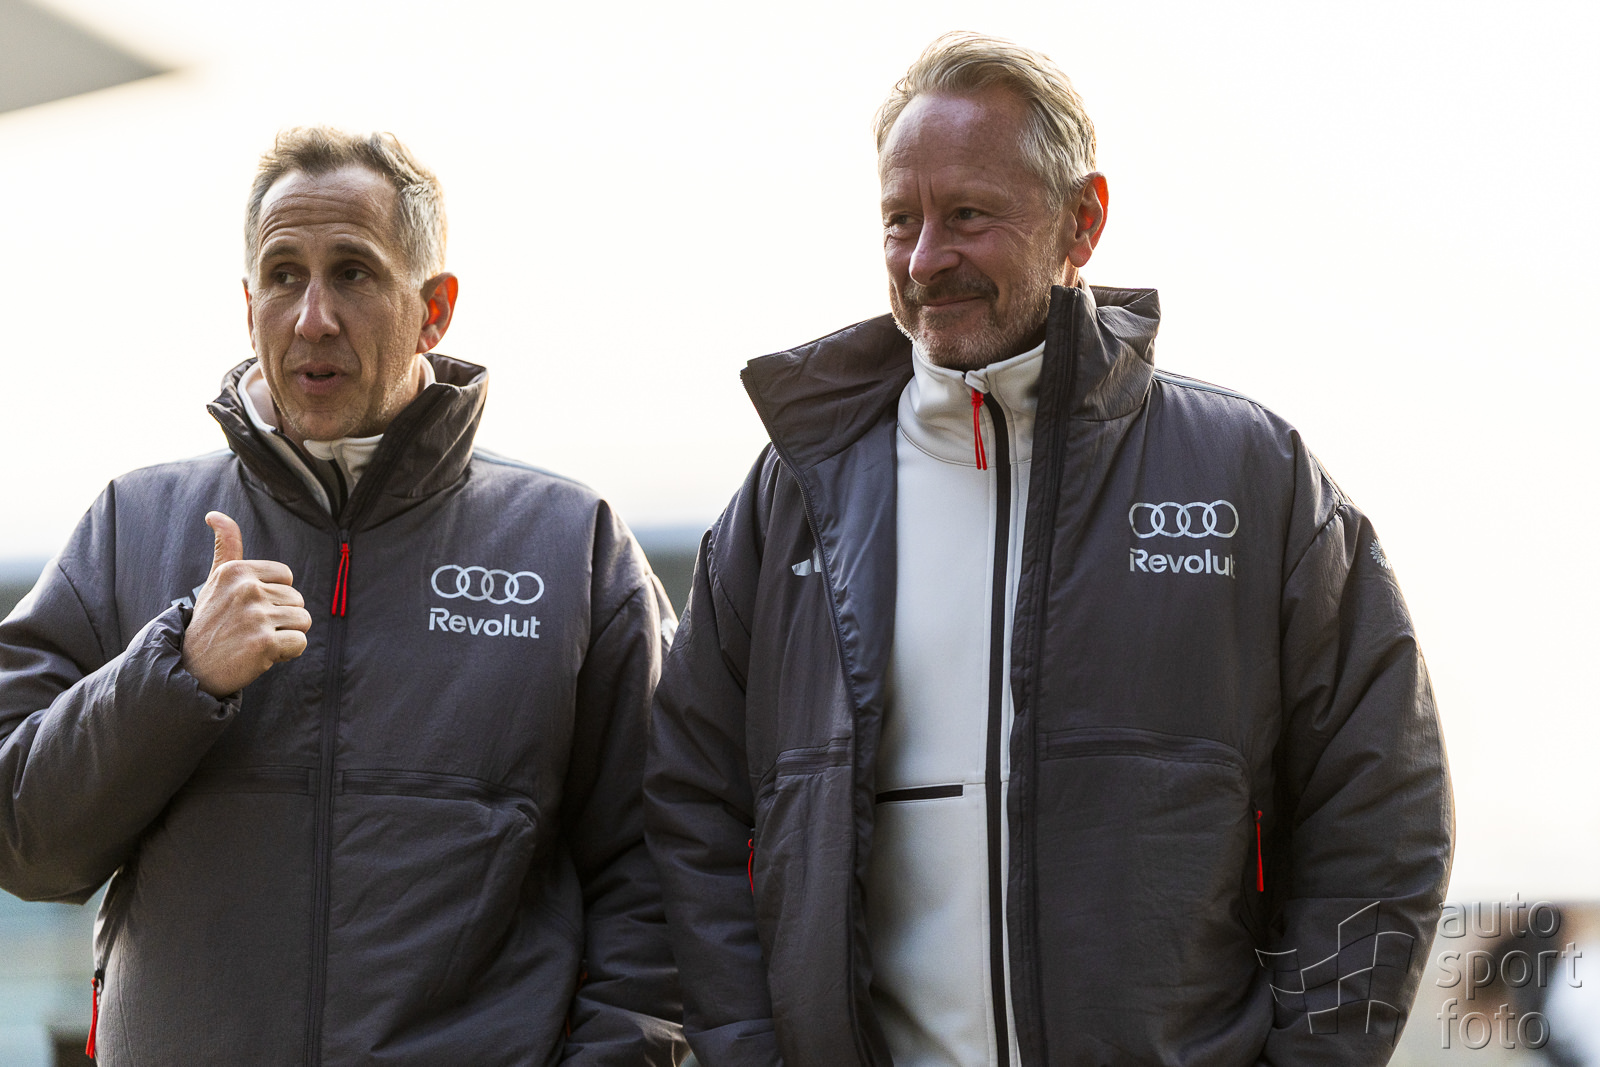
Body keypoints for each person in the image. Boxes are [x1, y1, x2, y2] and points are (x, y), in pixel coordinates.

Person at [645, 32, 1452, 1067]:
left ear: (1084, 219)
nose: (925, 259)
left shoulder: (1251, 477)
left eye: (967, 215)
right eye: (900, 220)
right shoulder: (792, 496)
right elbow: (693, 807)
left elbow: (1382, 810)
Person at [0, 128, 683, 1065]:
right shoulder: (131, 525)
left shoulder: (573, 546)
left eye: (353, 273)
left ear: (433, 310)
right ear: (250, 307)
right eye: (283, 276)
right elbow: (23, 840)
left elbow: (659, 878)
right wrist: (176, 671)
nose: (313, 317)